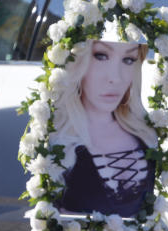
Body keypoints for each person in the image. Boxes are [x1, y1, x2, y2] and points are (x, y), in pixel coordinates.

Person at [53, 38, 156, 217]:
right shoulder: (57, 138)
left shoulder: (146, 134)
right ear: (76, 61)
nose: (115, 78)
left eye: (128, 60)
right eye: (101, 56)